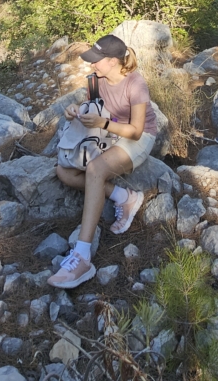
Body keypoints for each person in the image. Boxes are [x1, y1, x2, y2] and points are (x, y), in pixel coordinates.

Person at [47, 34, 158, 289]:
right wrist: (76, 110)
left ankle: (82, 256)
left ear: (112, 61)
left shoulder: (135, 84)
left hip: (136, 137)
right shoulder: (96, 79)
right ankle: (123, 196)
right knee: (63, 172)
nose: (92, 64)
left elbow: (137, 131)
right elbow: (94, 106)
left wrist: (103, 124)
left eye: (97, 60)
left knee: (95, 169)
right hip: (107, 133)